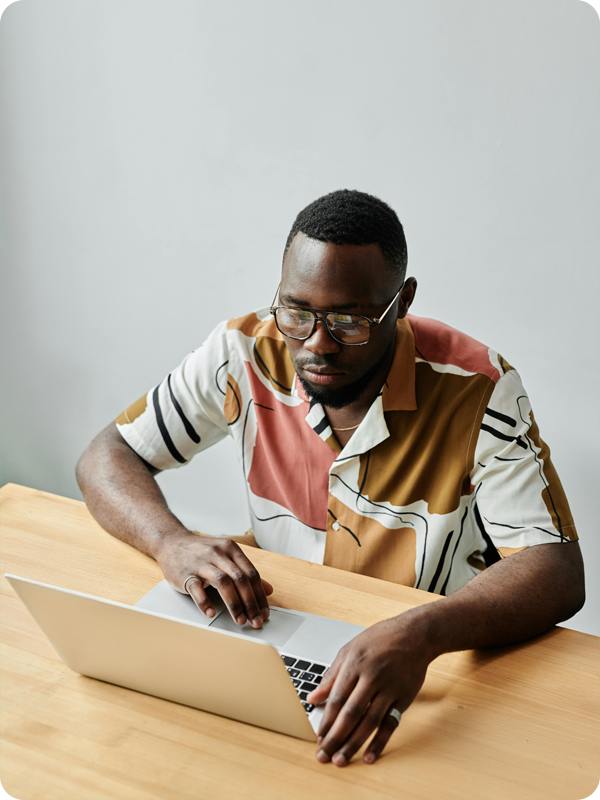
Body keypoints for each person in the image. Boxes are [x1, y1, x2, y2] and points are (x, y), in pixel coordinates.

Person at [77, 189, 585, 767]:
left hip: (424, 666)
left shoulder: (479, 388)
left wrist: (421, 634)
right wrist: (172, 542)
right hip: (273, 630)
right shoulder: (244, 351)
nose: (316, 344)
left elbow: (555, 567)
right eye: (296, 312)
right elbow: (107, 455)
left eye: (349, 320)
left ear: (402, 301)